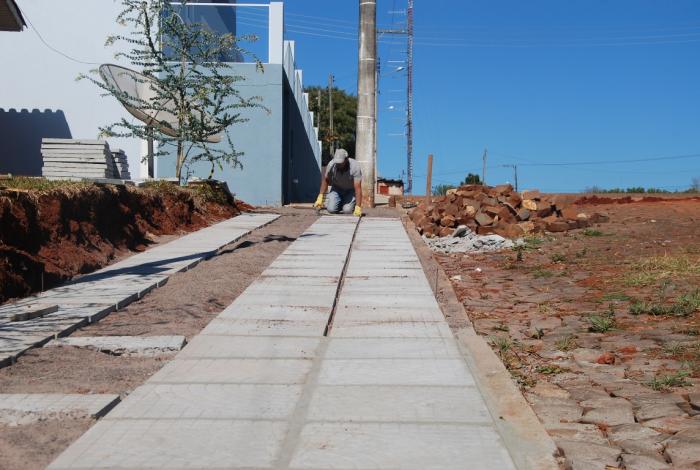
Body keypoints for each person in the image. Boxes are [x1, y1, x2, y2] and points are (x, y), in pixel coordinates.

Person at [314, 148, 363, 216]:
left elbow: (358, 188)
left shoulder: (355, 166)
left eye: (341, 163)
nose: (338, 165)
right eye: (337, 163)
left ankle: (348, 204)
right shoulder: (331, 165)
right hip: (336, 189)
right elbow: (326, 180)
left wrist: (358, 207)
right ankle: (339, 204)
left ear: (346, 159)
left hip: (350, 191)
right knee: (331, 209)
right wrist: (320, 196)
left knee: (347, 210)